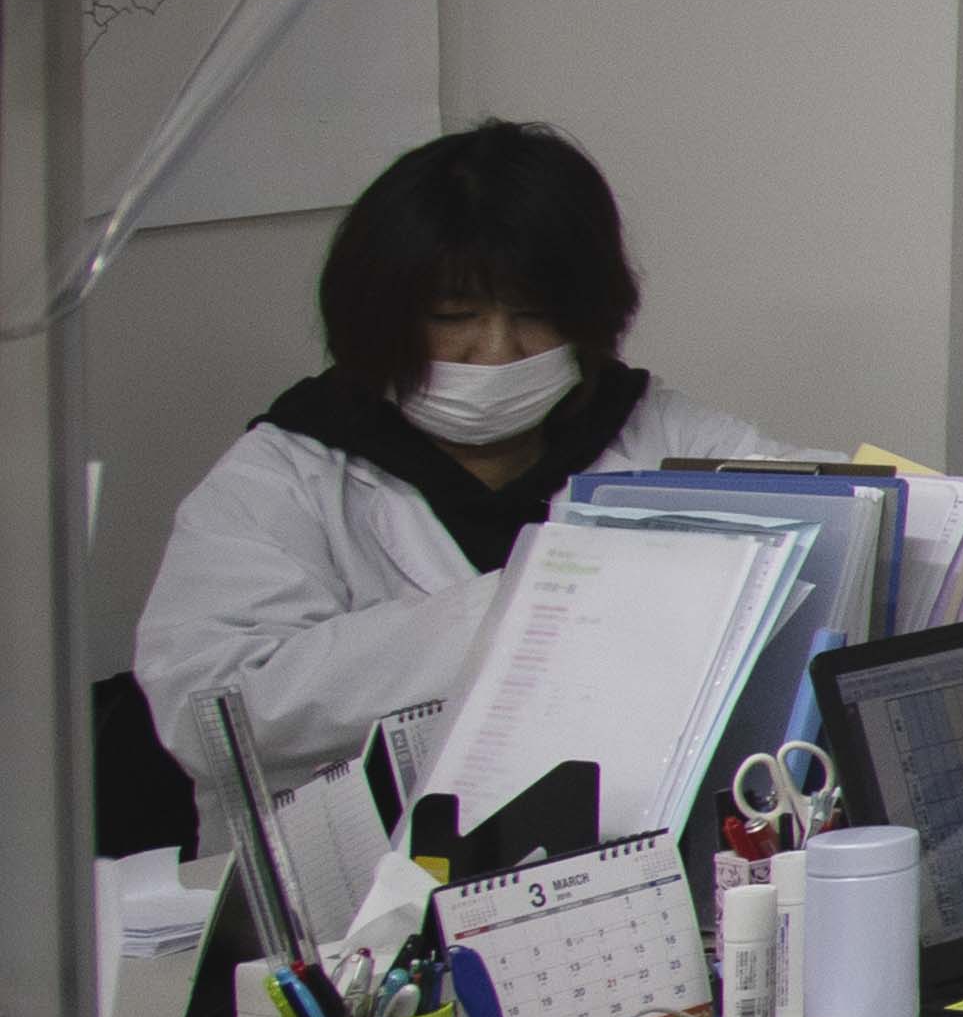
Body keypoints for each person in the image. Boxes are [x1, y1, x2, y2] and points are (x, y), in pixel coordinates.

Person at [136, 121, 775, 796]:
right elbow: (209, 714)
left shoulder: (652, 431)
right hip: (360, 881)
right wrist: (521, 607)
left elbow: (851, 515)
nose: (496, 351)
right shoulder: (282, 477)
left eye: (532, 314)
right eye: (454, 315)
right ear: (381, 317)